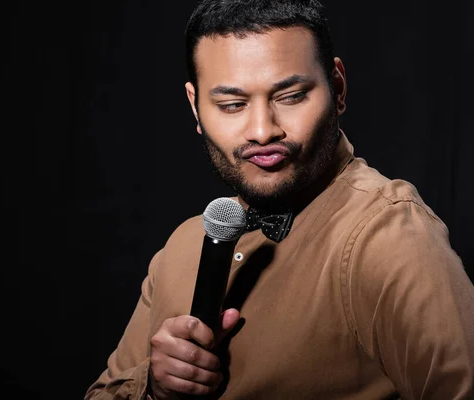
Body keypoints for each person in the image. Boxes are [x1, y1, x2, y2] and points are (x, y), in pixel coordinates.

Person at [85, 0, 474, 398]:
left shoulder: (389, 237)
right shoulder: (182, 247)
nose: (261, 130)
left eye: (289, 96)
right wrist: (154, 386)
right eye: (232, 105)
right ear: (195, 106)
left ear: (337, 88)